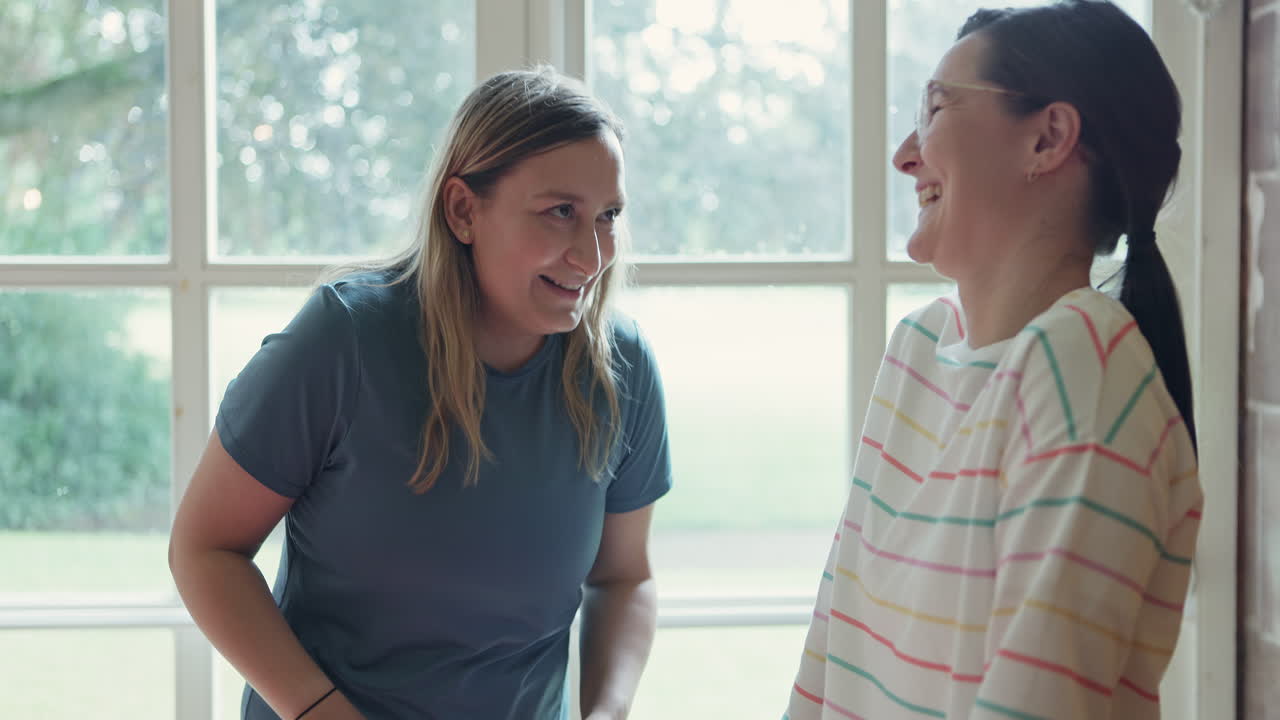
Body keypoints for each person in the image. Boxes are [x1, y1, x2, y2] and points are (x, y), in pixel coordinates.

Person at [169, 67, 672, 720]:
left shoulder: (620, 368)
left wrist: (606, 712)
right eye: (560, 213)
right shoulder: (343, 341)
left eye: (607, 216)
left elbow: (624, 577)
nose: (592, 254)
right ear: (463, 210)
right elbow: (205, 550)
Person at [785, 2, 1203, 718]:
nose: (904, 154)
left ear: (1048, 138)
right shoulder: (918, 350)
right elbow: (830, 651)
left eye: (935, 109)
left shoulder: (1085, 371)